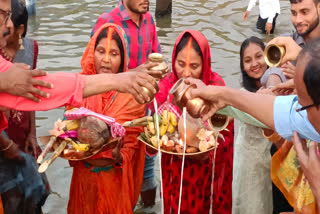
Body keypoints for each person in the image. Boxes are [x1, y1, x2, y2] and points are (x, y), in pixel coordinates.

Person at [186, 37, 320, 209]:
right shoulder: (304, 114)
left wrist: (316, 187)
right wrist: (222, 96)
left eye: (302, 105)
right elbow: (280, 110)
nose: (298, 111)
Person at [149, 30, 234, 213]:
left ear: (205, 65)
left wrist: (207, 152)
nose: (186, 73)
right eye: (180, 64)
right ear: (173, 61)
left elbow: (227, 137)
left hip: (205, 174)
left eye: (194, 66)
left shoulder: (216, 87)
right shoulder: (166, 87)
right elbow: (152, 136)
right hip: (173, 172)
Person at [92, 0, 165, 207]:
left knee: (147, 175)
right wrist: (137, 72)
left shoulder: (149, 20)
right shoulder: (108, 21)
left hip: (144, 115)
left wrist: (160, 71)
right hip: (114, 118)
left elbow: (155, 58)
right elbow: (94, 71)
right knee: (114, 181)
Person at [67, 23, 146, 214]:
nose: (106, 60)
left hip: (115, 182)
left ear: (123, 59)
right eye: (101, 51)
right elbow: (69, 134)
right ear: (92, 53)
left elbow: (133, 146)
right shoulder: (79, 89)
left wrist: (119, 155)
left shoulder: (132, 96)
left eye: (114, 54)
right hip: (84, 181)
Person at [232, 36, 285, 214]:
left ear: (268, 57)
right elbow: (253, 113)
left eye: (258, 56)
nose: (254, 64)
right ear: (242, 67)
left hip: (274, 159)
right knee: (253, 205)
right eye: (247, 61)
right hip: (250, 162)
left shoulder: (281, 86)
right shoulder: (243, 94)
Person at [3, 0, 40, 158]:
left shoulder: (31, 48)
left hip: (22, 131)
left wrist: (32, 134)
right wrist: (6, 145)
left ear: (20, 29)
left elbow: (32, 90)